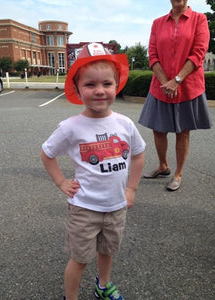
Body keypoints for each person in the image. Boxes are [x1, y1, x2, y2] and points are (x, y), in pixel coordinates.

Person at [41, 42, 146, 300]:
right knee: (80, 259)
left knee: (107, 251)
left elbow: (138, 154)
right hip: (84, 208)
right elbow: (47, 153)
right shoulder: (71, 127)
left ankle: (103, 286)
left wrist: (131, 188)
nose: (100, 91)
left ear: (116, 84)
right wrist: (61, 181)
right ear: (77, 88)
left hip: (116, 206)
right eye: (90, 85)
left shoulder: (124, 123)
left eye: (107, 84)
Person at [139, 0, 212, 191]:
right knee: (158, 129)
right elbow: (152, 55)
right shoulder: (158, 23)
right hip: (161, 86)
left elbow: (198, 53)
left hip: (187, 86)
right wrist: (166, 82)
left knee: (183, 130)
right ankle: (163, 166)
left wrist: (177, 80)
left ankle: (178, 173)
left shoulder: (199, 19)